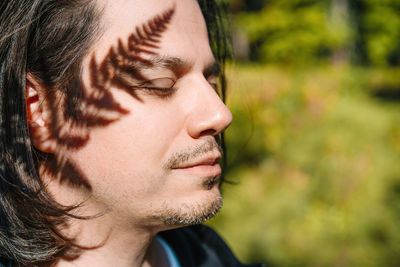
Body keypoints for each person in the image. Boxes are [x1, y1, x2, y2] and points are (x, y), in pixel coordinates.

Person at [0, 0, 262, 266]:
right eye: (161, 83)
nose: (220, 114)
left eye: (211, 81)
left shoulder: (212, 257)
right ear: (40, 112)